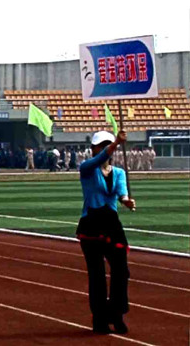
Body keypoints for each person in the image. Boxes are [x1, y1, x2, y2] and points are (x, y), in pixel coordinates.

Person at [76, 130, 135, 334]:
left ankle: (116, 313)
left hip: (111, 223)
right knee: (97, 275)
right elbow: (101, 159)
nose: (106, 149)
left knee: (121, 270)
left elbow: (121, 193)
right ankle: (99, 319)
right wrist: (116, 142)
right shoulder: (87, 169)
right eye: (102, 146)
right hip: (91, 223)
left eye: (107, 145)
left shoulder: (119, 173)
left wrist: (126, 201)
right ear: (93, 149)